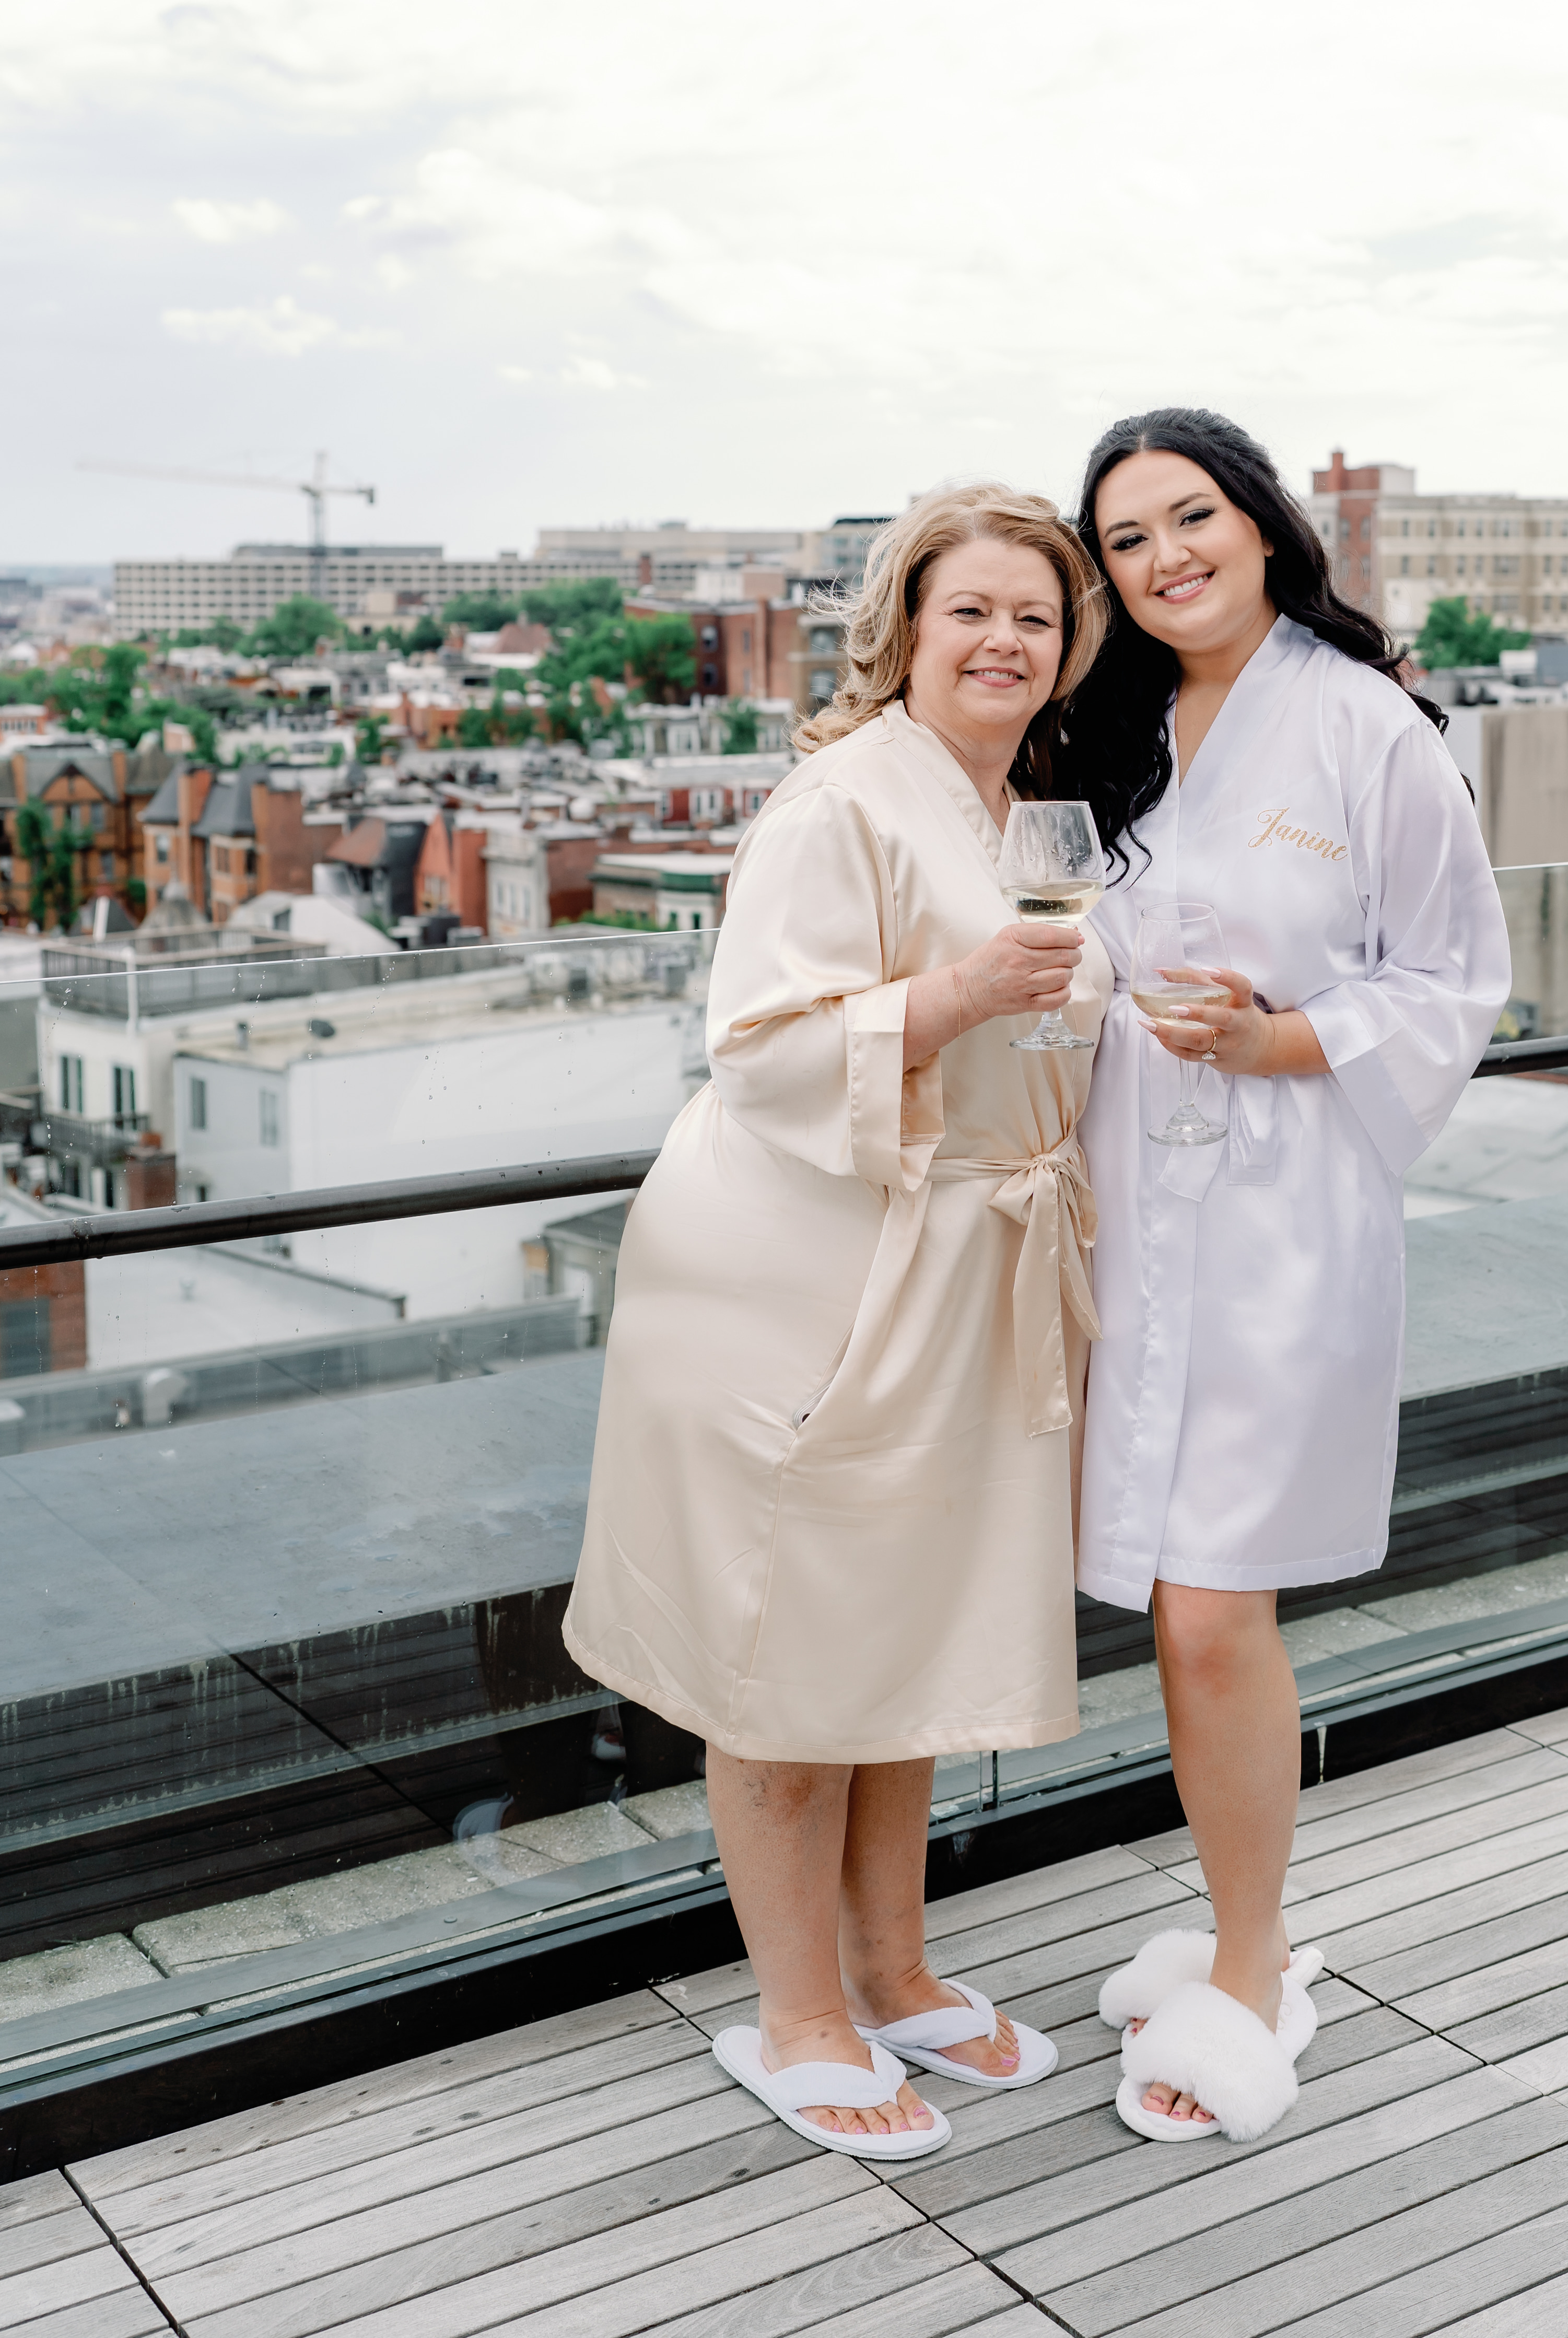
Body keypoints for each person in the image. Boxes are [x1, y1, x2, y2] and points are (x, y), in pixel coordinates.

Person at [563, 485, 1110, 2156]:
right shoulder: (839, 800)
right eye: (974, 612)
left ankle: (894, 1967)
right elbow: (766, 1047)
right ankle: (795, 2010)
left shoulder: (1015, 804)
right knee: (788, 1656)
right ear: (906, 629)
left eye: (1038, 615)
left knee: (900, 1638)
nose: (1006, 639)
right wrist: (958, 998)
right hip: (805, 1286)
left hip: (953, 1276)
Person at [1056, 408, 1512, 2146]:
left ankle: (1251, 1965)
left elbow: (1458, 978)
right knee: (1177, 1613)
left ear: (1261, 523)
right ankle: (1236, 1924)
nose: (1166, 557)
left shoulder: (1368, 725)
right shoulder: (1110, 726)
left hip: (1284, 1218)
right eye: (1127, 539)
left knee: (1213, 1607)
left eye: (1194, 517)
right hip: (1128, 1213)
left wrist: (1284, 1040)